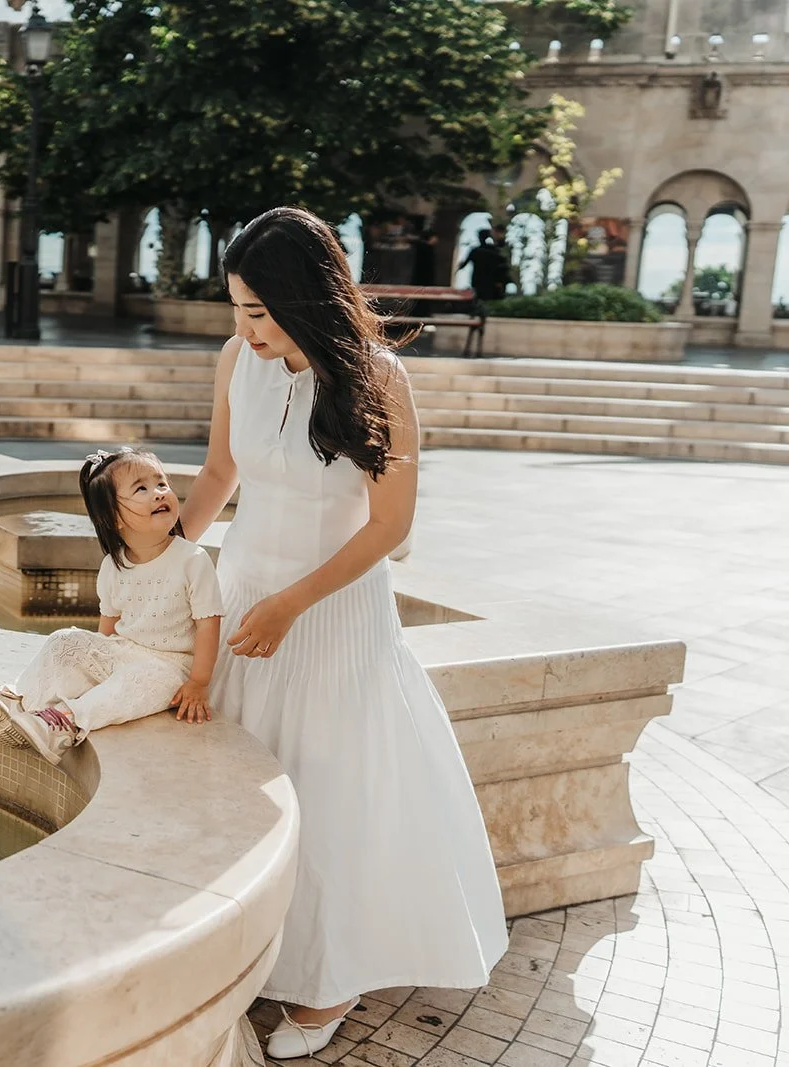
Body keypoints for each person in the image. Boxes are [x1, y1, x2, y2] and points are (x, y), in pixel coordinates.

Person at [179, 207, 508, 1061]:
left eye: (257, 310)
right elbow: (219, 474)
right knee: (240, 791)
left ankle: (328, 987)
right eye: (236, 309)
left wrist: (295, 604)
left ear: (303, 298)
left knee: (326, 797)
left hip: (334, 614)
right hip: (247, 595)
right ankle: (248, 958)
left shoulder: (380, 377)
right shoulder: (233, 361)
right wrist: (164, 569)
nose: (242, 328)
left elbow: (391, 527)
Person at [0, 448, 224, 765]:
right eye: (141, 489)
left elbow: (209, 626)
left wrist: (198, 683)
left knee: (136, 681)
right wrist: (94, 660)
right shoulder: (113, 566)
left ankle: (61, 722)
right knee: (65, 640)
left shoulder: (191, 560)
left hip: (170, 667)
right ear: (114, 518)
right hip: (122, 651)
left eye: (161, 484)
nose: (158, 494)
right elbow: (107, 627)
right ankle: (24, 703)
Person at [461, 228, 510, 302]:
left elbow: (463, 264)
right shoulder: (495, 251)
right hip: (492, 281)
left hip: (478, 280)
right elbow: (502, 267)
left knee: (479, 300)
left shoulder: (475, 251)